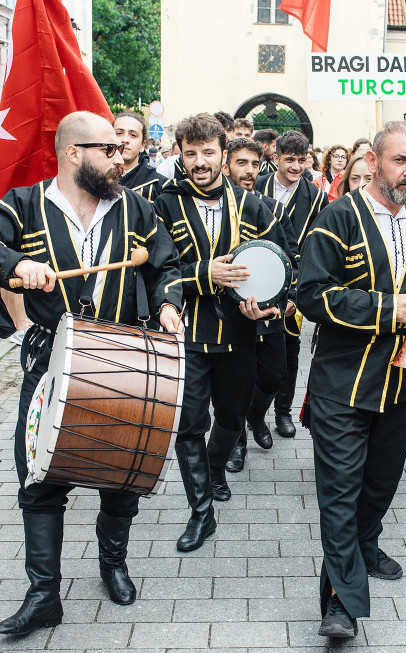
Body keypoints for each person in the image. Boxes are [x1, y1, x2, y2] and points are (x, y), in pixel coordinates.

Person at [0, 111, 183, 634]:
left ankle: (113, 564)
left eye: (119, 148)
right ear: (73, 152)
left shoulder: (135, 209)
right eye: (107, 149)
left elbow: (164, 266)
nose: (119, 155)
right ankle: (43, 597)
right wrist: (15, 265)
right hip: (49, 360)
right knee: (38, 480)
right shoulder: (25, 205)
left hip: (125, 359)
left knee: (122, 476)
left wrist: (168, 304)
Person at [297, 120, 406, 638]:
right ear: (373, 162)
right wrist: (386, 308)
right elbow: (311, 294)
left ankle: (368, 544)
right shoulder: (337, 218)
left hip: (403, 382)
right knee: (340, 492)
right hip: (343, 381)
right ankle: (341, 602)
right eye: (400, 161)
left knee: (381, 482)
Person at [153, 114, 289, 554]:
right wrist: (201, 275)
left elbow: (279, 263)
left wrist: (264, 303)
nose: (199, 162)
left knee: (231, 418)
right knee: (188, 424)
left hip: (240, 332)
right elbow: (160, 265)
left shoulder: (252, 206)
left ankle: (213, 471)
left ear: (224, 153)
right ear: (180, 153)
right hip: (187, 332)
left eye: (208, 152)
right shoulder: (165, 202)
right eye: (190, 153)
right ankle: (201, 511)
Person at [222, 137, 298, 471]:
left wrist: (290, 299)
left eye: (255, 164)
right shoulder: (218, 209)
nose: (250, 170)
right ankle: (237, 442)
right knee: (235, 383)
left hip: (270, 311)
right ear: (226, 166)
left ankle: (256, 414)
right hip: (229, 314)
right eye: (242, 163)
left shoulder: (273, 208)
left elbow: (292, 254)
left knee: (273, 376)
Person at [255, 131, 327, 444]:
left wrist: (298, 293)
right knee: (255, 351)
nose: (295, 166)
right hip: (257, 279)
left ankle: (283, 411)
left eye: (301, 160)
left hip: (294, 284)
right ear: (276, 158)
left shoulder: (316, 195)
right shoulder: (258, 186)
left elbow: (316, 246)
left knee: (290, 351)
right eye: (289, 159)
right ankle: (253, 412)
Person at [114, 112, 163, 203]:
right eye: (119, 133)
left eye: (133, 135)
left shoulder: (159, 186)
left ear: (142, 145)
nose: (125, 140)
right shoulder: (96, 180)